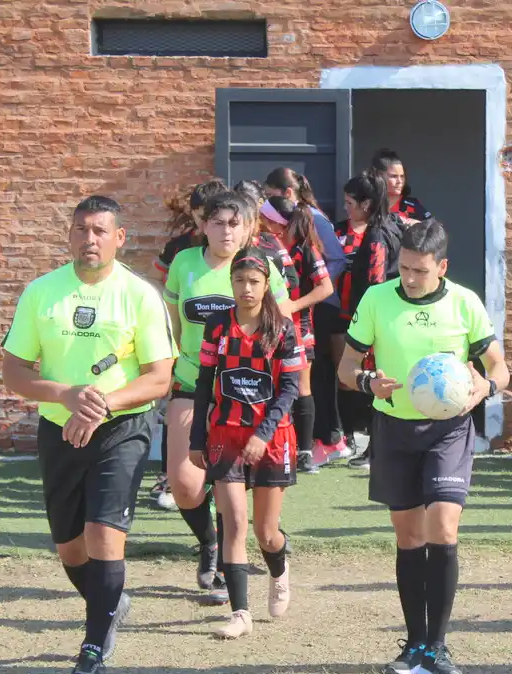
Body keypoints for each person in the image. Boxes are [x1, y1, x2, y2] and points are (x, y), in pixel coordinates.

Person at [1, 195, 177, 674]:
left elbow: (159, 377)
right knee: (70, 547)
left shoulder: (141, 296)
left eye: (101, 230)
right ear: (70, 234)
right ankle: (109, 602)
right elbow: (14, 370)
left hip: (122, 428)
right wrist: (66, 395)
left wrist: (103, 403)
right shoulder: (41, 293)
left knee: (104, 535)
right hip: (59, 428)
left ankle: (93, 652)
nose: (90, 239)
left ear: (120, 238)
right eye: (81, 229)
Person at [338, 219, 509, 674]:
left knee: (443, 525)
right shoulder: (376, 299)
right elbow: (347, 365)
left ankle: (439, 647)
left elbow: (499, 367)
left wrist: (485, 387)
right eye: (405, 268)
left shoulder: (464, 303)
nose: (410, 279)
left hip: (449, 430)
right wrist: (366, 380)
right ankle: (414, 645)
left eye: (421, 271)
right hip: (393, 428)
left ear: (443, 267)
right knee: (409, 535)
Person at [189, 248, 301, 638]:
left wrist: (263, 433)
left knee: (265, 532)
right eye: (239, 281)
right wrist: (196, 438)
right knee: (234, 524)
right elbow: (204, 383)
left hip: (271, 438)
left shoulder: (283, 328)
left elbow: (290, 389)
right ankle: (240, 614)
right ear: (231, 284)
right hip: (225, 435)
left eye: (254, 282)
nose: (246, 288)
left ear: (267, 284)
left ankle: (280, 569)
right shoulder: (217, 325)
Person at [163, 191, 259, 595]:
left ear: (248, 229)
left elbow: (277, 330)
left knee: (227, 482)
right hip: (189, 382)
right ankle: (209, 541)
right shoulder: (184, 263)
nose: (226, 230)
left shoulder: (258, 267)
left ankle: (224, 565)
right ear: (203, 226)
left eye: (234, 224)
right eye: (218, 222)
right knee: (185, 485)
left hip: (240, 392)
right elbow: (172, 323)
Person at [149, 178, 227, 511]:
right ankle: (171, 477)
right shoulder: (180, 251)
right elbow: (167, 298)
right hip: (188, 369)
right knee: (177, 423)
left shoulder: (246, 254)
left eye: (206, 216)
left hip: (231, 374)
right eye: (197, 216)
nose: (200, 223)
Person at [265, 168, 349, 471]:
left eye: (266, 220)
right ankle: (281, 445)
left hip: (300, 328)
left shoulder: (305, 249)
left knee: (302, 386)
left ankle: (306, 450)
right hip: (272, 328)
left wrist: (293, 306)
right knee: (276, 386)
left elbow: (326, 286)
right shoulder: (271, 248)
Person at [334, 171, 404, 468]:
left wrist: (368, 322)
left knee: (376, 382)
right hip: (393, 315)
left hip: (378, 320)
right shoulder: (396, 226)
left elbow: (375, 281)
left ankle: (377, 449)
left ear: (366, 203)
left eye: (350, 203)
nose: (346, 209)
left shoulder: (376, 234)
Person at [372, 148, 432, 226]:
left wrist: (418, 225)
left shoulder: (412, 206)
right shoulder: (368, 204)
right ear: (378, 176)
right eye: (394, 176)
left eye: (402, 176)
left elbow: (434, 230)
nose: (400, 181)